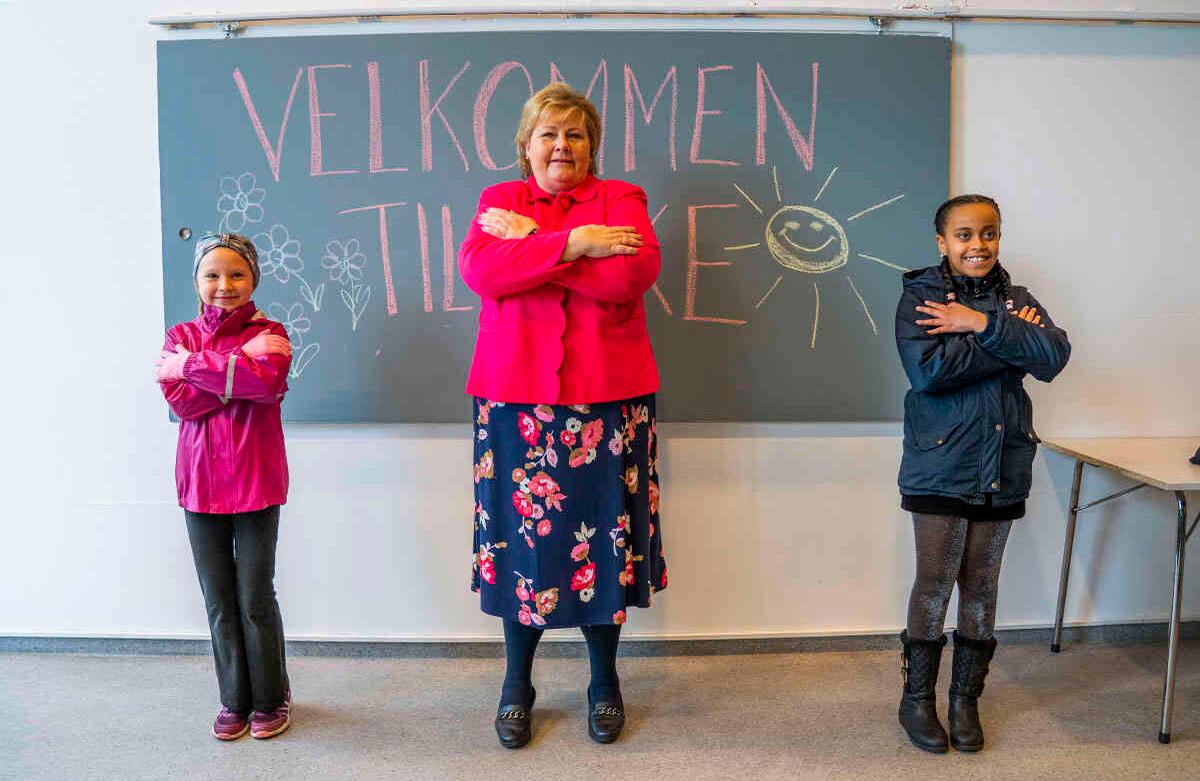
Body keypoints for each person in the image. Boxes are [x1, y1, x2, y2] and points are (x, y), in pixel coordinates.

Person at [458, 82, 667, 748]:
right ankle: (516, 684)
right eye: (548, 133)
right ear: (526, 146)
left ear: (592, 146)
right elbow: (482, 274)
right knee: (526, 546)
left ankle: (604, 681)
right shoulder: (499, 202)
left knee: (602, 544)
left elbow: (627, 280)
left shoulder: (622, 198)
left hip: (608, 402)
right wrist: (578, 243)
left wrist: (537, 244)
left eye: (575, 134)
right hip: (513, 400)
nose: (561, 146)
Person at [894, 194, 1070, 753]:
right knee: (935, 582)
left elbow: (1055, 357)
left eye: (988, 234)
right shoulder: (920, 295)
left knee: (982, 585)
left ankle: (964, 700)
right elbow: (931, 372)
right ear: (942, 242)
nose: (978, 245)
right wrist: (1010, 341)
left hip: (1005, 462)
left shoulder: (1018, 300)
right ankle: (917, 699)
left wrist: (977, 323)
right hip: (940, 461)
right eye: (964, 235)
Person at [155, 233, 294, 740]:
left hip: (256, 481)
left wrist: (193, 367)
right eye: (212, 274)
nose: (224, 285)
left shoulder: (272, 332)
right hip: (199, 484)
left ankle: (272, 699)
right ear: (197, 281)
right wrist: (238, 370)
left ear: (253, 277)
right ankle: (234, 701)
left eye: (236, 273)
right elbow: (182, 405)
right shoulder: (180, 332)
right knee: (218, 599)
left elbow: (267, 384)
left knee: (255, 597)